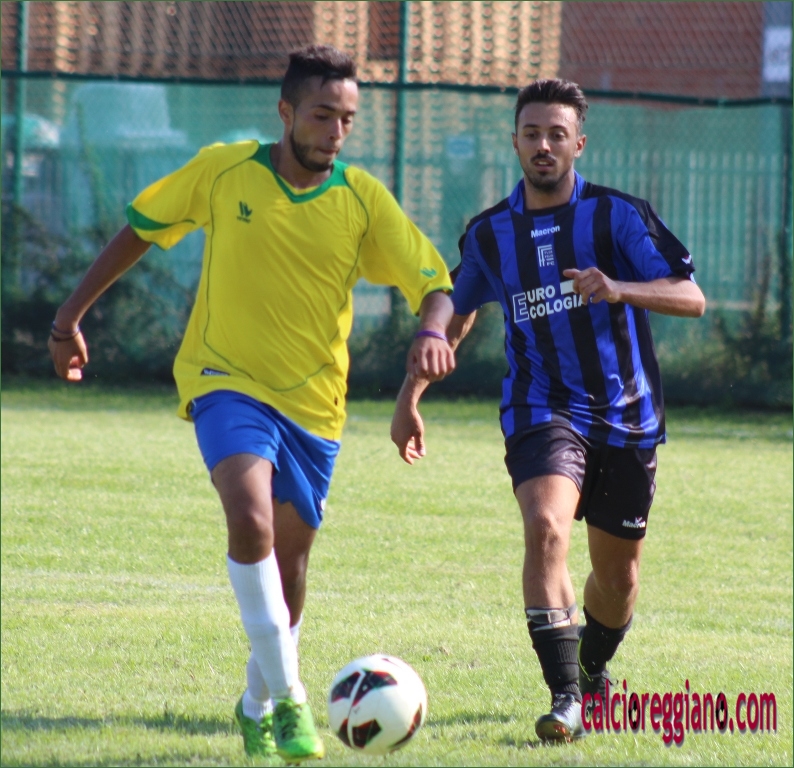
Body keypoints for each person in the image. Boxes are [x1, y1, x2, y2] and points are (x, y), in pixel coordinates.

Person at [48, 45, 455, 763]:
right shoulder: (224, 169)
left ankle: (255, 703)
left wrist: (429, 331)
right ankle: (293, 700)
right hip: (224, 380)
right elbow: (140, 229)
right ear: (286, 112)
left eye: (347, 118)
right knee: (250, 515)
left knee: (289, 571)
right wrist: (68, 318)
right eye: (322, 115)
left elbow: (434, 283)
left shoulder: (362, 198)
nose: (335, 131)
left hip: (316, 407)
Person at [391, 78, 705, 743]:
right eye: (532, 133)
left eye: (556, 135)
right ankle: (565, 697)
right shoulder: (490, 232)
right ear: (514, 142)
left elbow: (691, 296)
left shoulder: (617, 216)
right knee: (545, 527)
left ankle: (591, 671)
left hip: (627, 416)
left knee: (617, 581)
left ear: (578, 144)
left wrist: (617, 287)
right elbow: (454, 307)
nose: (543, 145)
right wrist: (410, 392)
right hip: (542, 408)